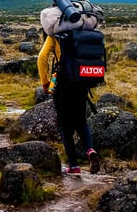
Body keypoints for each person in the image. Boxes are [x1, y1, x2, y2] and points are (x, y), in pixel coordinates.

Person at [37, 30, 100, 175]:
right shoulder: (83, 32)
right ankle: (90, 150)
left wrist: (45, 82)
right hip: (81, 81)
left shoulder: (55, 35)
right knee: (81, 121)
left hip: (62, 82)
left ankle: (73, 165)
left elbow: (42, 57)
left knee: (65, 125)